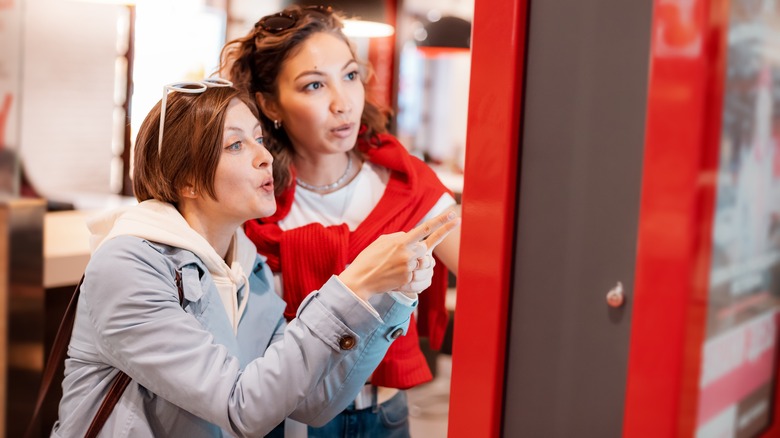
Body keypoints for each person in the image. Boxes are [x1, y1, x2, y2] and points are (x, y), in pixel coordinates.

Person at [51, 78, 458, 437]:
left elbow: (313, 403)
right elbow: (239, 407)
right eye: (236, 145)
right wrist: (354, 285)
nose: (264, 157)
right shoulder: (129, 264)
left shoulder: (249, 268)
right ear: (186, 180)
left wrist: (391, 297)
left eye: (259, 139)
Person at [221, 5, 461, 437]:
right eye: (314, 85)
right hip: (285, 421)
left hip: (383, 416)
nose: (343, 102)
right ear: (269, 103)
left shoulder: (401, 182)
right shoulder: (253, 200)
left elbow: (491, 274)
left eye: (350, 76)